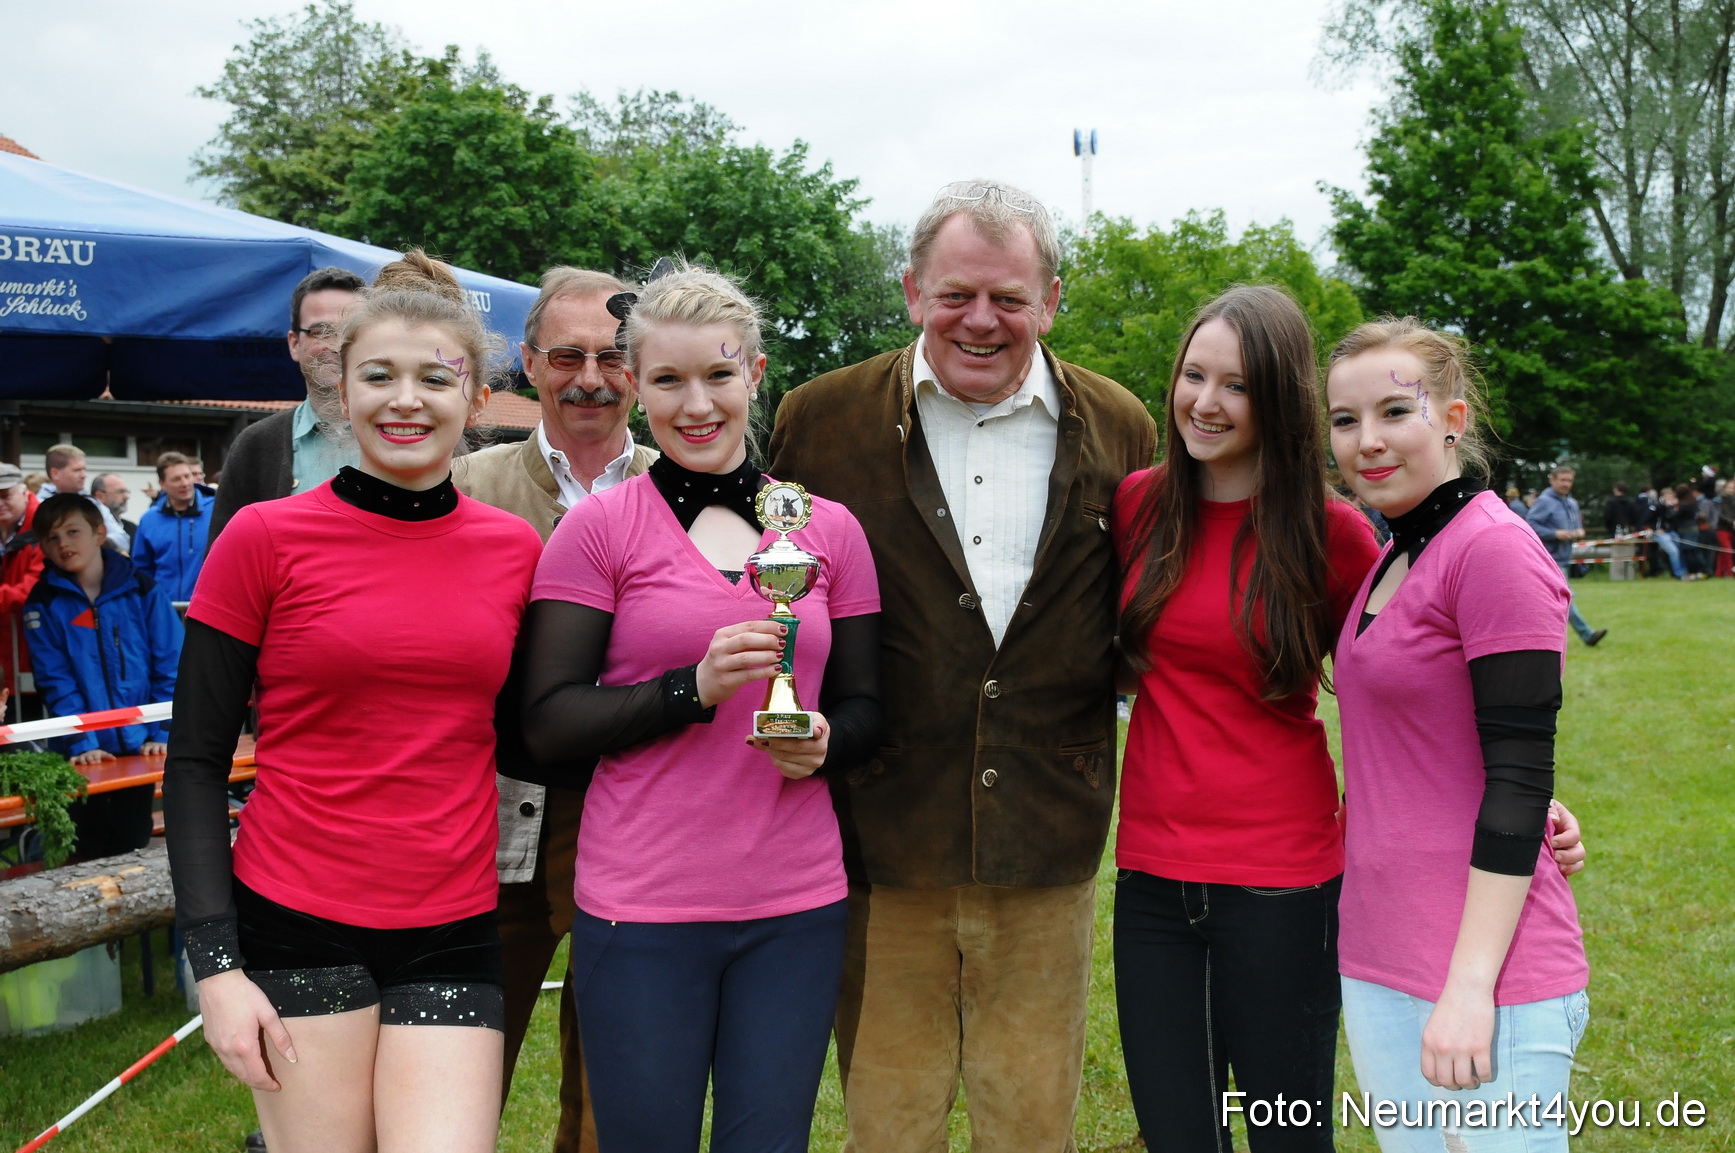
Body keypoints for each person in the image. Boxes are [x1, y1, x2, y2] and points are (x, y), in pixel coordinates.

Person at [769, 179, 1157, 1151]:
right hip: (880, 834)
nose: (980, 320)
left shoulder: (1120, 425)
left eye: (1008, 298)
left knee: (1029, 1125)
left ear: (1050, 302)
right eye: (954, 294)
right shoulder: (819, 420)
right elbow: (779, 602)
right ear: (911, 291)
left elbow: (1142, 616)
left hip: (1047, 836)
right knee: (887, 1126)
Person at [163, 250, 542, 1153]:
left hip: (454, 918)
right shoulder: (263, 536)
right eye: (379, 375)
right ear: (341, 387)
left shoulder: (514, 550)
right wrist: (216, 967)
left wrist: (690, 693)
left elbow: (535, 734)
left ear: (475, 399)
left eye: (434, 378)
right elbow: (196, 761)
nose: (405, 399)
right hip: (297, 916)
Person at [513, 263, 882, 1151]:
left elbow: (869, 707)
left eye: (718, 374)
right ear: (636, 387)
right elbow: (548, 720)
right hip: (640, 903)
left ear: (754, 373)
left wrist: (825, 743)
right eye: (669, 379)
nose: (697, 403)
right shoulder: (598, 528)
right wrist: (691, 689)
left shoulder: (827, 528)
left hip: (794, 902)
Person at [1111, 286, 1379, 1151]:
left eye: (1236, 386)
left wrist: (1521, 798)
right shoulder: (1136, 505)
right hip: (1151, 875)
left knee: (1286, 1133)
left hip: (1282, 883)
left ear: (1279, 401)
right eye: (1194, 375)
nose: (1205, 402)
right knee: (1177, 1133)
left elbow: (1398, 695)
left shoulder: (1334, 534)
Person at [1327, 318, 1589, 1151]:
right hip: (1378, 952)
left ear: (1452, 419)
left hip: (1488, 976)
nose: (1366, 440)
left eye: (1393, 411)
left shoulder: (1492, 548)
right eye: (1343, 419)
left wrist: (1470, 988)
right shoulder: (1395, 551)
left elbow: (1517, 773)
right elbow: (1433, 748)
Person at [451, 265, 656, 1153]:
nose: (591, 378)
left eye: (613, 357)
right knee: (456, 1075)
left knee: (619, 1086)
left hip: (642, 811)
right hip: (491, 810)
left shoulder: (684, 487)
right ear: (529, 363)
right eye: (568, 356)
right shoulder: (465, 482)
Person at [23, 493, 180, 858]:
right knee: (85, 843)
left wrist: (160, 731)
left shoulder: (142, 588)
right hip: (81, 753)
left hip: (141, 745)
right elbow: (55, 680)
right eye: (51, 537)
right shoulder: (42, 602)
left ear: (98, 533)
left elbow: (171, 664)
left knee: (133, 838)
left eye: (72, 531)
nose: (63, 544)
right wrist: (81, 743)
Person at [209, 266, 367, 541]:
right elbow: (222, 557)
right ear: (294, 344)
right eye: (321, 331)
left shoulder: (408, 433)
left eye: (350, 332)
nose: (336, 345)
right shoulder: (255, 446)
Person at [1526, 467, 1608, 644]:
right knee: (1566, 598)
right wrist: (1555, 534)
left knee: (1550, 601)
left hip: (1565, 557)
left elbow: (1575, 525)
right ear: (1552, 480)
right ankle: (1587, 634)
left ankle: (1539, 637)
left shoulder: (1572, 503)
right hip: (1549, 559)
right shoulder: (1544, 501)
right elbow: (1530, 525)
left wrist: (1578, 531)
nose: (1566, 484)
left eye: (1569, 480)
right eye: (1562, 480)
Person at [132, 452, 214, 603]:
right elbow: (142, 568)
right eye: (176, 479)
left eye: (187, 476)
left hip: (206, 607)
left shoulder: (215, 511)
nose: (185, 483)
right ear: (162, 484)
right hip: (164, 607)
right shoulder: (149, 519)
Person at [0, 464, 43, 704]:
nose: (0, 503)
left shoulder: (44, 528)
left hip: (34, 652)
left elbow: (32, 589)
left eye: (6, 496)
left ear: (25, 493)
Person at [38, 444, 130, 554]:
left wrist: (97, 540)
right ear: (55, 473)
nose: (84, 475)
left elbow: (123, 540)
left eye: (84, 469)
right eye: (77, 470)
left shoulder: (93, 503)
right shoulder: (38, 506)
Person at [90, 472, 137, 540]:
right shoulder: (88, 528)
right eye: (120, 492)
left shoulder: (132, 529)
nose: (126, 497)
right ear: (100, 496)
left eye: (126, 492)